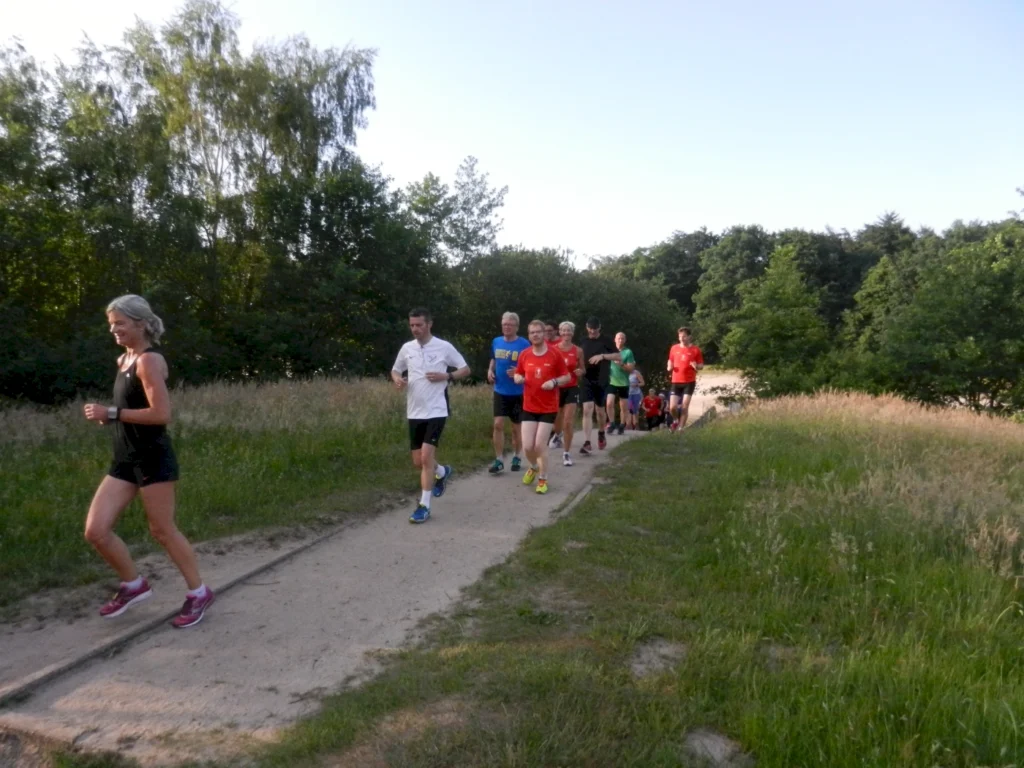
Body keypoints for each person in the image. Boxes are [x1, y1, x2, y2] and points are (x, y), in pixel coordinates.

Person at [82, 294, 213, 629]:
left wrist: (112, 413)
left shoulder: (149, 361)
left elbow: (162, 414)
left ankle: (199, 593)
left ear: (140, 323)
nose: (114, 330)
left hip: (153, 459)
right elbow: (134, 413)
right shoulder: (123, 360)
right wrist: (113, 418)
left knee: (162, 530)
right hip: (124, 459)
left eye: (120, 323)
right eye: (112, 324)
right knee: (96, 531)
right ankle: (133, 585)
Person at [392, 307, 471, 523]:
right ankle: (443, 472)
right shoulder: (407, 348)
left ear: (429, 324)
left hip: (437, 409)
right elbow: (396, 369)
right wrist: (398, 379)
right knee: (419, 461)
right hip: (414, 410)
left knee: (426, 457)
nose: (415, 329)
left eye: (419, 325)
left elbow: (465, 369)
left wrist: (447, 375)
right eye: (412, 325)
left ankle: (424, 506)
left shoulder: (444, 347)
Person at [513, 320, 570, 493]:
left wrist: (554, 382)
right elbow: (518, 372)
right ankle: (533, 466)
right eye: (532, 333)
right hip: (529, 405)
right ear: (529, 336)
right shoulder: (524, 354)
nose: (535, 335)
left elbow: (566, 377)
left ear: (544, 334)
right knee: (527, 446)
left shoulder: (554, 354)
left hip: (548, 407)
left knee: (539, 445)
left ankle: (543, 479)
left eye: (538, 332)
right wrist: (517, 378)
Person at [486, 312, 530, 474]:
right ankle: (498, 460)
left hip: (518, 392)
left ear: (516, 327)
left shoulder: (524, 344)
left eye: (510, 325)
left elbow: (531, 366)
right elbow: (493, 359)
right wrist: (490, 371)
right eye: (504, 324)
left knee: (515, 429)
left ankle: (517, 456)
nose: (506, 327)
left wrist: (520, 372)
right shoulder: (496, 341)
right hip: (500, 390)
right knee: (497, 424)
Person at [578, 317, 621, 454]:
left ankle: (601, 432)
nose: (592, 331)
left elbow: (618, 356)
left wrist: (602, 356)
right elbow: (577, 357)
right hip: (586, 379)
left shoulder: (606, 340)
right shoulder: (583, 341)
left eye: (595, 329)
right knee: (587, 409)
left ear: (599, 328)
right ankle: (587, 442)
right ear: (586, 327)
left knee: (600, 412)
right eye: (590, 329)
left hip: (601, 380)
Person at [551, 321, 585, 465]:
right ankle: (557, 436)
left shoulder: (578, 350)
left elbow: (583, 369)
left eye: (568, 331)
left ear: (572, 333)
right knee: (556, 418)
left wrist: (580, 372)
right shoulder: (553, 349)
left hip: (572, 387)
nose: (566, 333)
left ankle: (566, 453)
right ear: (559, 332)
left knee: (568, 421)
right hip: (557, 387)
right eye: (563, 331)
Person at [667, 326, 704, 431]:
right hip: (676, 381)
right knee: (672, 408)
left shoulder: (695, 350)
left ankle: (681, 428)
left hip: (689, 382)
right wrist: (669, 366)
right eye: (680, 336)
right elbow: (670, 360)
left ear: (689, 337)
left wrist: (696, 366)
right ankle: (675, 420)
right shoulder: (674, 348)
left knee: (684, 407)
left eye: (684, 336)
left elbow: (701, 365)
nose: (682, 339)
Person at [605, 332, 636, 435]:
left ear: (625, 340)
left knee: (623, 407)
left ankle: (622, 425)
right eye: (618, 338)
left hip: (623, 383)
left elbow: (631, 369)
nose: (620, 340)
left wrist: (621, 364)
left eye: (622, 339)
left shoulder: (628, 352)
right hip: (611, 381)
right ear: (615, 339)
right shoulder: (610, 350)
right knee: (609, 403)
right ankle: (612, 423)